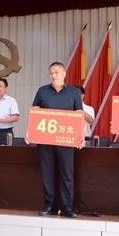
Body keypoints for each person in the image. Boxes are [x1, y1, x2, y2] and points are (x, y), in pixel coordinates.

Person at [30, 62, 82, 218]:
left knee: (67, 174)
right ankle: (49, 205)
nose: (54, 75)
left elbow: (79, 114)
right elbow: (34, 111)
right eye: (51, 73)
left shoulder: (73, 92)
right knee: (47, 173)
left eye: (57, 72)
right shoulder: (42, 91)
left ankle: (67, 207)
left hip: (66, 139)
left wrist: (80, 136)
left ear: (64, 73)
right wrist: (30, 132)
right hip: (45, 139)